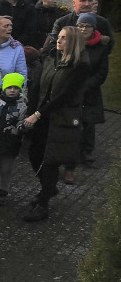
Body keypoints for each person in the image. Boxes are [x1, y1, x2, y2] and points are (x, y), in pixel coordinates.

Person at [22, 26, 90, 222]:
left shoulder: (80, 65)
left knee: (50, 159)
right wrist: (31, 110)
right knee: (34, 154)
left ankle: (43, 203)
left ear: (74, 42)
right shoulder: (52, 58)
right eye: (58, 37)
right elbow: (38, 86)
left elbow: (65, 95)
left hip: (61, 118)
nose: (58, 41)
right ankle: (49, 189)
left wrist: (37, 114)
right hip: (42, 116)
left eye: (63, 38)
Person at [72, 13, 109, 167]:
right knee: (71, 120)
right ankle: (70, 151)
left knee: (88, 123)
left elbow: (102, 71)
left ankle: (86, 152)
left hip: (91, 91)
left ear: (93, 28)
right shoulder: (71, 42)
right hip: (71, 89)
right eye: (81, 25)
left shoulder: (101, 47)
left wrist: (87, 86)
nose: (84, 28)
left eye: (87, 26)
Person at [0, 73, 27, 207]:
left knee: (6, 168)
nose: (12, 90)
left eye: (16, 88)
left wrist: (22, 127)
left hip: (10, 141)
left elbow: (22, 121)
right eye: (9, 87)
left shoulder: (22, 106)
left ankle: (2, 192)